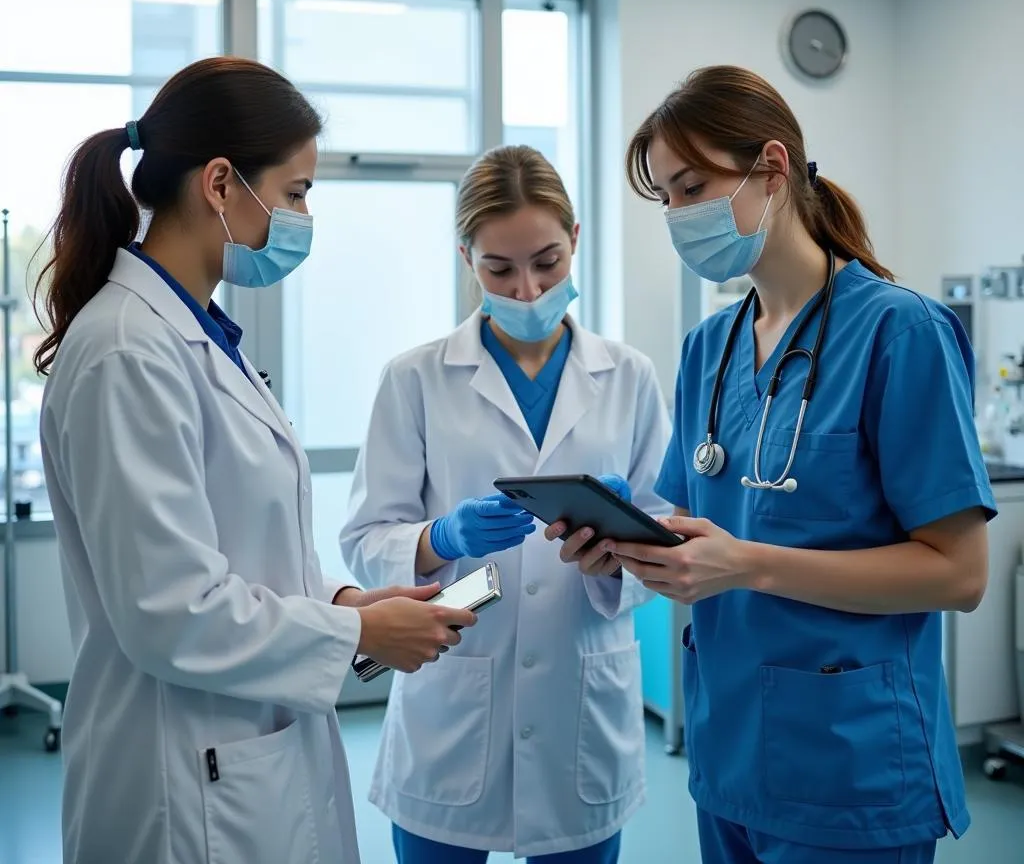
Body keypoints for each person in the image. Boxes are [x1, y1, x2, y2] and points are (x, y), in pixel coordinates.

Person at [36, 56, 476, 864]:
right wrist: (353, 630)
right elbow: (170, 610)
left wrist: (350, 600)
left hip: (243, 758)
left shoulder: (197, 333)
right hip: (181, 784)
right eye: (297, 191)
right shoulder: (128, 350)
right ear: (219, 184)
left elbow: (249, 544)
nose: (304, 215)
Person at [606, 65, 995, 864]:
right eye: (667, 199)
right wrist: (626, 540)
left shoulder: (900, 332)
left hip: (850, 761)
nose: (679, 216)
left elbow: (958, 575)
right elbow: (702, 528)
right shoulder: (707, 349)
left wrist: (746, 564)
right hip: (730, 749)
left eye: (692, 186)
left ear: (772, 167)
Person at [341, 145, 672, 864]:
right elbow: (367, 536)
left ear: (576, 239)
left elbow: (669, 539)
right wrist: (444, 534)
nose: (526, 288)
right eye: (500, 268)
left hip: (581, 696)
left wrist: (623, 545)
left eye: (548, 262)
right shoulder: (415, 379)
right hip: (453, 699)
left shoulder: (631, 377)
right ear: (467, 257)